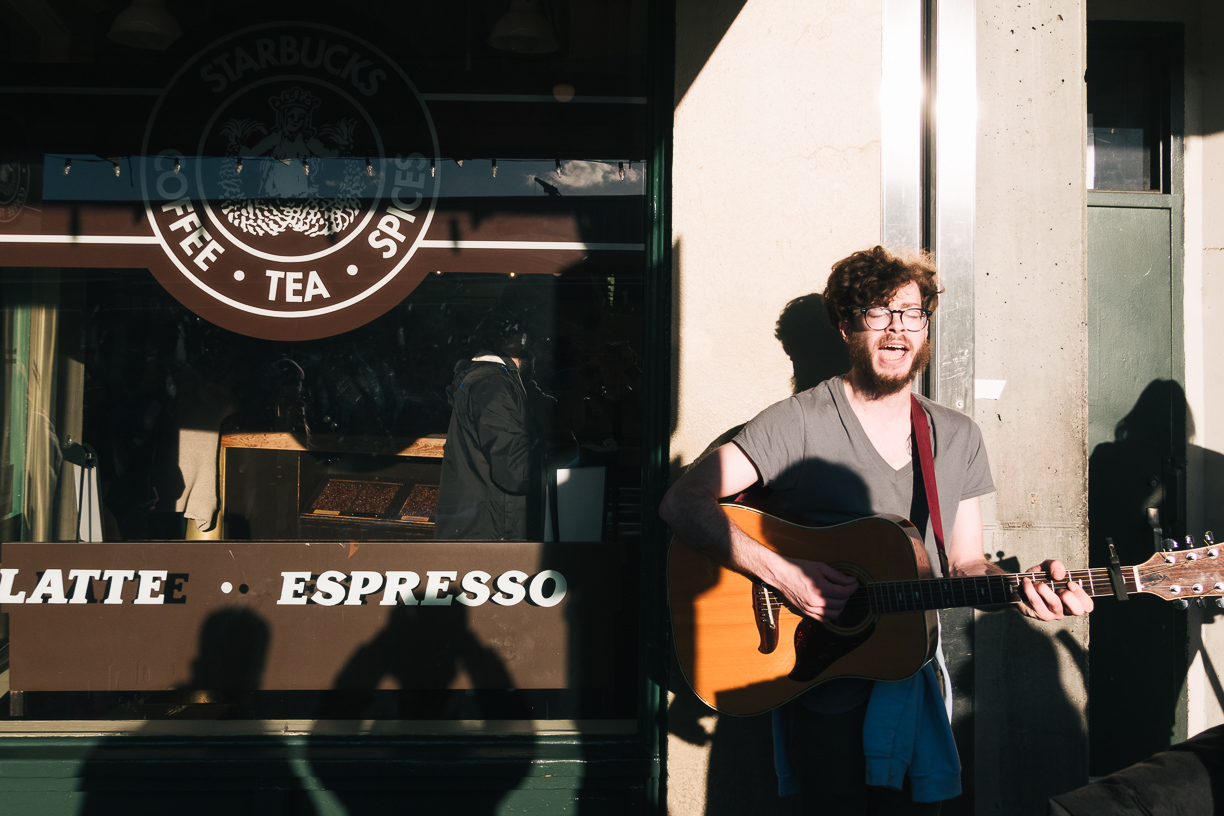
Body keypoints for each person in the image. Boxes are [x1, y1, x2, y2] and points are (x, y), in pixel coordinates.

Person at [658, 245, 1094, 814]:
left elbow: (966, 565)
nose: (897, 329)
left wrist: (1022, 589)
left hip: (910, 678)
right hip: (819, 685)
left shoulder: (956, 436)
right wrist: (787, 577)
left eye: (912, 313)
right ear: (846, 326)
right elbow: (682, 502)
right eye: (878, 313)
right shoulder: (798, 422)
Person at [434, 293, 551, 541]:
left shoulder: (486, 381)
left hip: (483, 526)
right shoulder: (495, 386)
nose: (544, 354)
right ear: (521, 341)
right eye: (541, 343)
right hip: (494, 531)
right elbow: (516, 472)